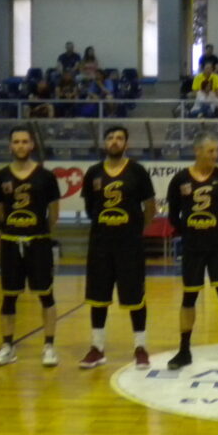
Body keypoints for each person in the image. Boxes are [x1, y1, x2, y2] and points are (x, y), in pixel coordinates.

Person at [79, 127, 155, 369]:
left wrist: (135, 229)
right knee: (98, 297)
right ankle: (97, 348)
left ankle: (140, 348)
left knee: (135, 297)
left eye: (119, 138)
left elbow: (150, 207)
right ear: (105, 143)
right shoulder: (93, 172)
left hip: (129, 245)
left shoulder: (137, 171)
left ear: (126, 144)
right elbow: (90, 208)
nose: (114, 141)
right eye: (110, 138)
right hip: (100, 244)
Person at [166, 131, 218, 372]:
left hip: (217, 247)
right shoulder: (180, 179)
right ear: (197, 151)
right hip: (192, 247)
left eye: (217, 151)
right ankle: (184, 350)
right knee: (189, 298)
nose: (215, 155)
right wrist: (188, 232)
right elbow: (173, 215)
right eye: (211, 151)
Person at [0, 127, 62, 368]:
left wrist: (37, 231)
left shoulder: (46, 176)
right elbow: (0, 212)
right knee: (9, 296)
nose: (20, 145)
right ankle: (7, 346)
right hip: (11, 243)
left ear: (32, 145)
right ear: (10, 146)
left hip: (38, 243)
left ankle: (49, 346)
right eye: (16, 141)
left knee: (46, 295)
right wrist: (12, 230)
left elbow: (53, 214)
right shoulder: (0, 177)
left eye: (24, 141)